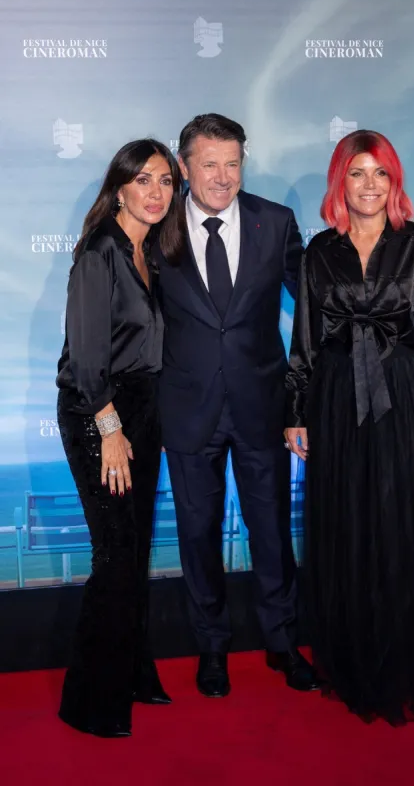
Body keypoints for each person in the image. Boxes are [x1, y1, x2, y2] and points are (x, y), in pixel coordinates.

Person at [285, 130, 414, 726]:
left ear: (396, 183)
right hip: (339, 400)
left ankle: (411, 657)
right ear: (339, 182)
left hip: (408, 397)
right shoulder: (320, 251)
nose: (370, 186)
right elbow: (306, 342)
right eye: (358, 174)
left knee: (404, 525)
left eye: (381, 174)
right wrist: (295, 410)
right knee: (348, 523)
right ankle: (354, 655)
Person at [156, 113, 319, 697]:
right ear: (184, 167)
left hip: (262, 405)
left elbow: (317, 300)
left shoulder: (275, 222)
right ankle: (212, 648)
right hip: (186, 409)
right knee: (197, 535)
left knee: (271, 531)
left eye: (233, 163)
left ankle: (282, 642)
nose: (222, 177)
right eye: (209, 164)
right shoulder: (158, 224)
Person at [56, 139, 185, 737]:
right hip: (97, 413)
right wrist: (108, 428)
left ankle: (133, 673)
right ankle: (89, 700)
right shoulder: (99, 251)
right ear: (119, 187)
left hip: (144, 409)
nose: (156, 192)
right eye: (144, 180)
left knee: (133, 553)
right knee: (114, 555)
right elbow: (85, 359)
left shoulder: (151, 252)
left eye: (165, 181)